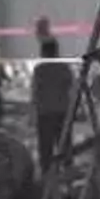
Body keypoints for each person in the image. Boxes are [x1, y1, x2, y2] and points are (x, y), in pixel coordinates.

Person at [32, 36, 74, 170]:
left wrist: (35, 109)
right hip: (62, 111)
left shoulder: (39, 69)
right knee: (65, 144)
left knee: (46, 147)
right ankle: (68, 172)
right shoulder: (64, 67)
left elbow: (36, 91)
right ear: (56, 51)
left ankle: (47, 175)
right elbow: (71, 86)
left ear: (43, 52)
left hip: (45, 112)